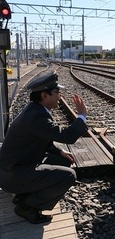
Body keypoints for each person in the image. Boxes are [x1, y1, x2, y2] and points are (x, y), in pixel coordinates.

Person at [0, 73, 88, 224]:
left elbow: (41, 138)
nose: (60, 97)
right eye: (57, 93)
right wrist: (81, 116)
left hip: (17, 169)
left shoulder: (35, 110)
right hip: (12, 176)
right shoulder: (37, 116)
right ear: (44, 96)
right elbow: (68, 137)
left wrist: (60, 151)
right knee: (69, 176)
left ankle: (25, 194)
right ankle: (26, 206)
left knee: (63, 160)